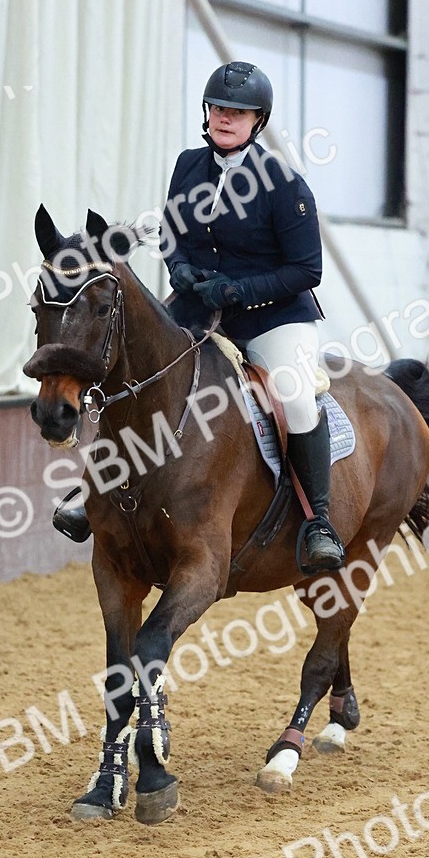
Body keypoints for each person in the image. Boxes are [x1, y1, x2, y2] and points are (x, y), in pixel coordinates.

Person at [160, 60, 345, 573]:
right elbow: (172, 233)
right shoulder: (187, 165)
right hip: (201, 306)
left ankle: (319, 522)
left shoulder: (284, 184)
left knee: (296, 398)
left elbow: (307, 270)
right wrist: (179, 268)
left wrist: (239, 289)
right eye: (218, 108)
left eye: (237, 112)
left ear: (257, 120)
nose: (225, 118)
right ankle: (97, 491)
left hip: (273, 316)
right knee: (137, 362)